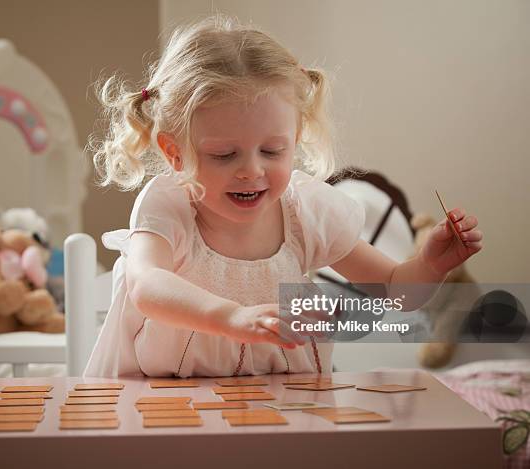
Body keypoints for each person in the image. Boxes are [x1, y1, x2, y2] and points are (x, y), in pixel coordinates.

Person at [83, 16, 482, 378]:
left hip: (283, 406)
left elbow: (396, 289)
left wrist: (430, 265)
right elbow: (147, 285)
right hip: (168, 399)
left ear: (295, 140)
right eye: (224, 155)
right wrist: (232, 317)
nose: (252, 171)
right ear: (175, 153)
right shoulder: (169, 205)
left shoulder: (304, 212)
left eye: (273, 151)